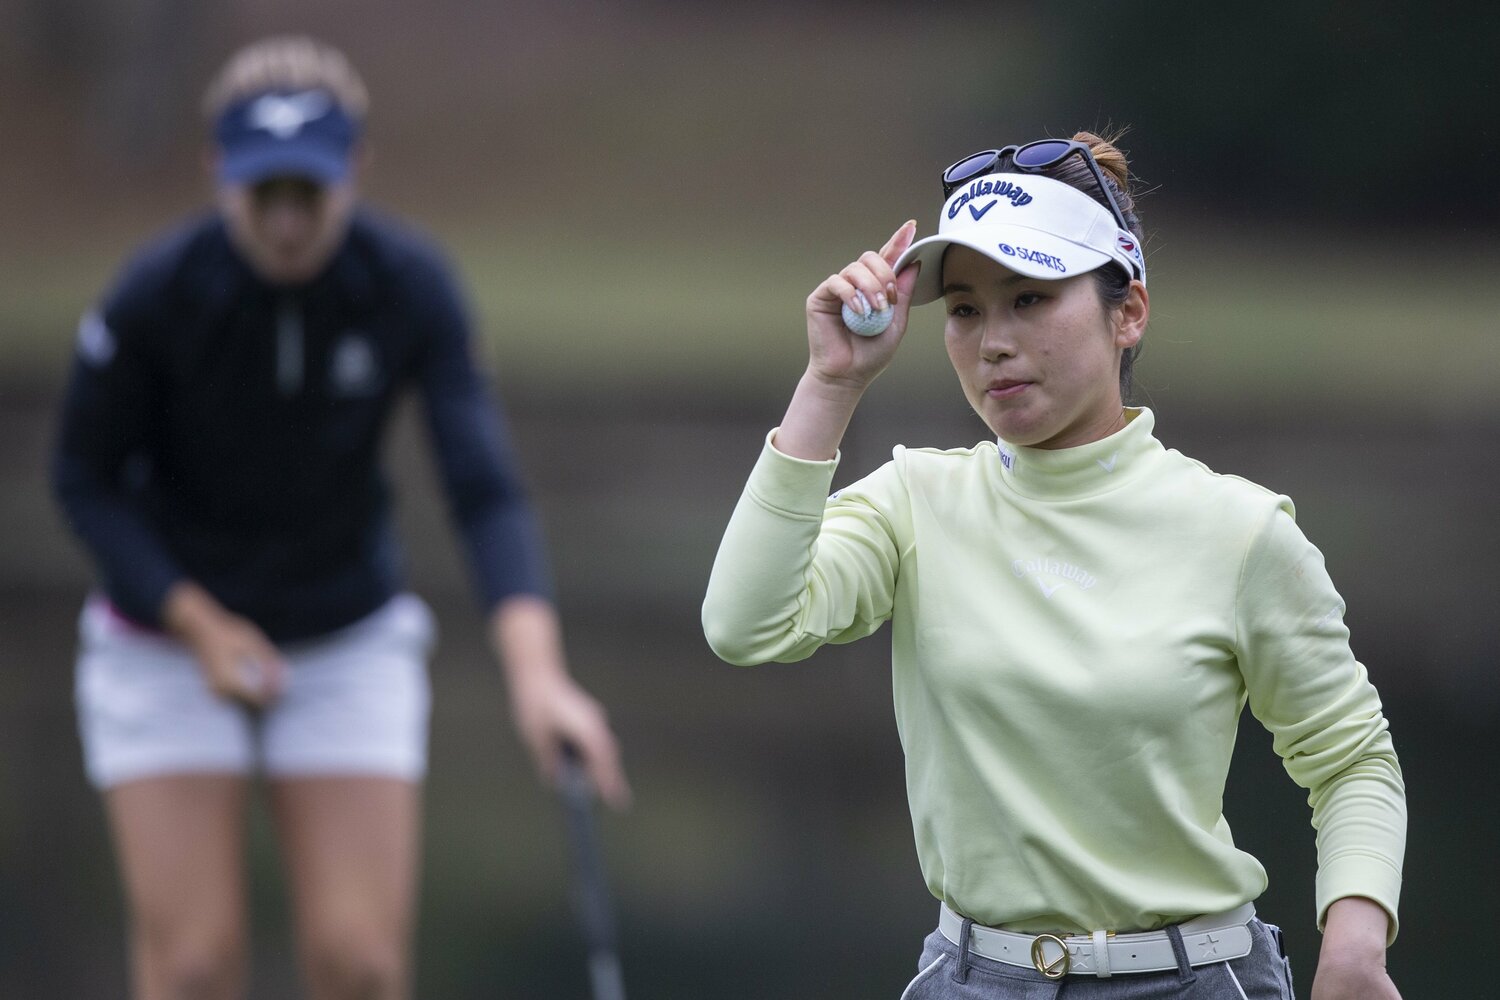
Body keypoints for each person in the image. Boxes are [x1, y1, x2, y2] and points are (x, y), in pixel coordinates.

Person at [701, 131, 1405, 999]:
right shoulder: (915, 502)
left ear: (1128, 311)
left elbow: (1350, 759)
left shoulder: (1240, 529)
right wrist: (831, 385)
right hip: (971, 978)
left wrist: (1355, 938)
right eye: (963, 309)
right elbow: (746, 624)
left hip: (1195, 980)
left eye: (1030, 298)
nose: (993, 340)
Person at [52, 36, 629, 1000]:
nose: (286, 223)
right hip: (163, 636)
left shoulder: (407, 286)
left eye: (308, 193)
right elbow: (82, 478)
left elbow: (481, 488)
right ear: (217, 174)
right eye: (262, 192)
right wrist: (194, 620)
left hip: (344, 633)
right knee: (192, 969)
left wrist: (539, 679)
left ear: (355, 171)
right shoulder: (156, 295)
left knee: (359, 966)